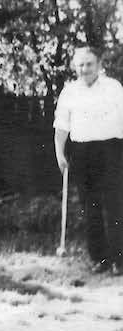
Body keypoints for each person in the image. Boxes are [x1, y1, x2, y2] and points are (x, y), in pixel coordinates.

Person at [53, 46, 123, 275]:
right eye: (80, 65)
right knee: (90, 207)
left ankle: (119, 260)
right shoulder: (69, 92)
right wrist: (60, 153)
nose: (85, 69)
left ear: (99, 64)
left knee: (115, 204)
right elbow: (62, 126)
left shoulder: (114, 88)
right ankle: (99, 259)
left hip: (111, 149)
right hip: (82, 152)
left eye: (89, 64)